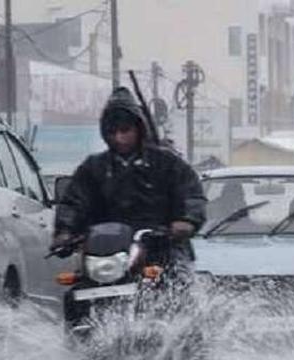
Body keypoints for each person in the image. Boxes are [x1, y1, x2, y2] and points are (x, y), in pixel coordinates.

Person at [51, 87, 207, 264]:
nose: (119, 138)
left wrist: (186, 221)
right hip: (106, 255)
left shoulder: (167, 163)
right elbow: (74, 202)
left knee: (177, 275)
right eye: (112, 132)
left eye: (125, 130)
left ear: (139, 129)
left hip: (163, 248)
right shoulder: (93, 168)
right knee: (77, 285)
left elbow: (191, 194)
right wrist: (65, 232)